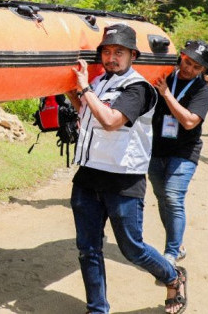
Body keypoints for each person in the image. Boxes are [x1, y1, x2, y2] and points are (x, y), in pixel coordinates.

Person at [66, 24, 187, 314]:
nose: (111, 58)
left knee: (131, 247)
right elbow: (88, 113)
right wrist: (74, 93)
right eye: (106, 52)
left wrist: (83, 88)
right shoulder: (99, 84)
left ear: (133, 54)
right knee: (88, 248)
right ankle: (98, 309)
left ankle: (173, 276)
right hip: (88, 176)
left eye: (118, 52)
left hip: (123, 181)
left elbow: (109, 120)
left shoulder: (139, 88)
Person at [149, 41, 208, 268]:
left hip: (185, 151)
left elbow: (188, 122)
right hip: (156, 149)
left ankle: (171, 253)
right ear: (182, 56)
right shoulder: (164, 75)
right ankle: (178, 243)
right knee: (162, 198)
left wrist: (166, 94)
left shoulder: (202, 90)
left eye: (196, 67)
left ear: (203, 71)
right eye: (188, 62)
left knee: (173, 197)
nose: (189, 69)